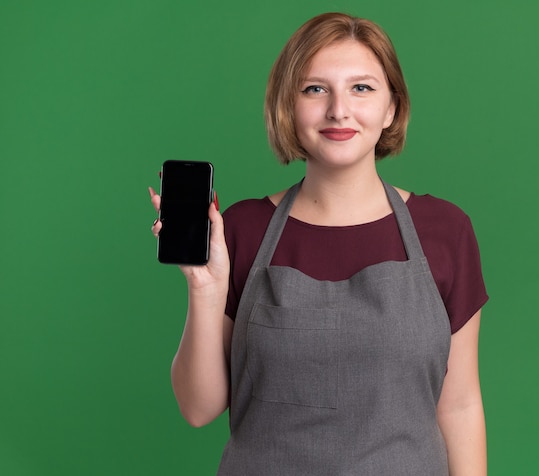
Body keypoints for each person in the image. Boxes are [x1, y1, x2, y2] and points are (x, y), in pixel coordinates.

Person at [149, 12, 488, 475]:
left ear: (392, 107)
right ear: (288, 105)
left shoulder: (445, 230)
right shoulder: (241, 229)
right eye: (315, 89)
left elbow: (461, 404)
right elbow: (198, 408)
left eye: (362, 88)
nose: (338, 110)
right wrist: (204, 290)